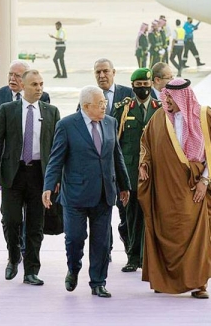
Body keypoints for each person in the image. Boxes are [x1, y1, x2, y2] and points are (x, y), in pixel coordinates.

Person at [139, 78, 211, 298]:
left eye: (172, 97)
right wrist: (144, 164)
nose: (168, 101)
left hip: (194, 187)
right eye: (166, 96)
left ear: (184, 97)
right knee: (163, 231)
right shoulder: (159, 119)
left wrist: (204, 181)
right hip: (165, 188)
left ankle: (199, 283)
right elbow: (146, 144)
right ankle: (163, 279)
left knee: (198, 235)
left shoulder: (205, 117)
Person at [42, 85, 131, 298]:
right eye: (100, 104)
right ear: (85, 106)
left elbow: (116, 156)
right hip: (76, 194)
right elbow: (56, 158)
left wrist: (124, 184)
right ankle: (73, 268)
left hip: (104, 192)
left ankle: (98, 282)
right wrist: (48, 185)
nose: (105, 107)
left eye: (105, 103)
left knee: (101, 241)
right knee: (74, 238)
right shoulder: (67, 125)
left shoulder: (110, 123)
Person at [0, 69, 60, 285]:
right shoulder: (7, 110)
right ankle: (13, 256)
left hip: (39, 174)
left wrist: (56, 178)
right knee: (11, 220)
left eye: (41, 84)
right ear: (23, 86)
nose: (39, 88)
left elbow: (57, 148)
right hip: (13, 174)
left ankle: (31, 271)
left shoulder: (51, 111)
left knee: (36, 225)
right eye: (34, 85)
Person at [112, 68, 162, 273]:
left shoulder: (159, 108)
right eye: (138, 86)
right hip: (130, 171)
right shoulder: (123, 108)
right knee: (131, 215)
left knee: (152, 215)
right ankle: (133, 257)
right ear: (132, 87)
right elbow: (115, 141)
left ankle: (149, 256)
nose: (143, 89)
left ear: (151, 84)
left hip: (154, 170)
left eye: (146, 85)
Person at [93, 58, 133, 255]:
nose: (102, 76)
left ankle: (130, 249)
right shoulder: (90, 96)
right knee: (102, 212)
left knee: (126, 210)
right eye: (98, 72)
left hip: (124, 164)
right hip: (101, 168)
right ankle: (105, 250)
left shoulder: (128, 93)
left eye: (105, 71)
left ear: (114, 72)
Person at [0, 60, 50, 169]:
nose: (12, 79)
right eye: (10, 74)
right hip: (8, 160)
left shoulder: (42, 96)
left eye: (17, 75)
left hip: (36, 162)